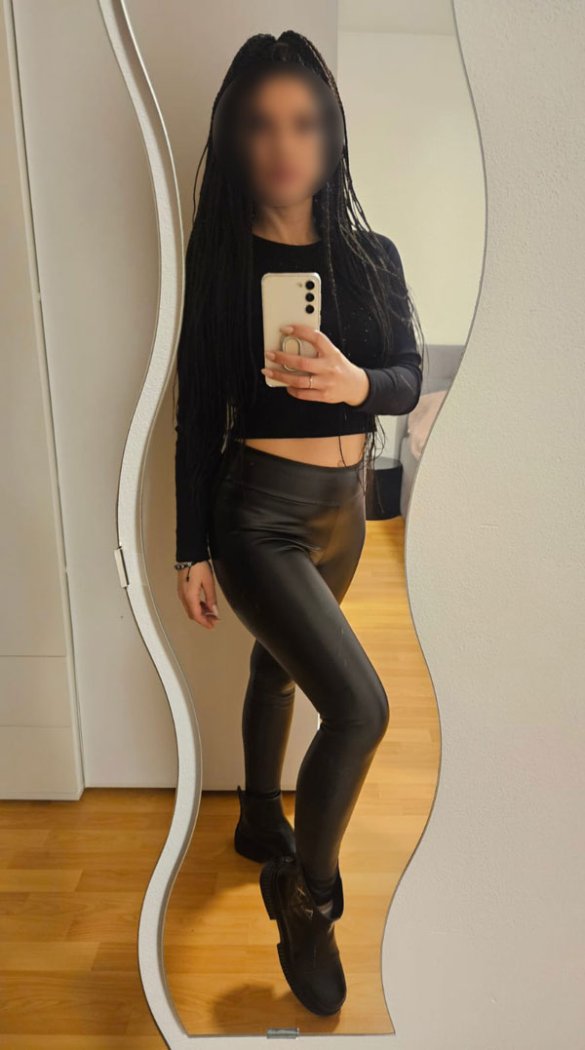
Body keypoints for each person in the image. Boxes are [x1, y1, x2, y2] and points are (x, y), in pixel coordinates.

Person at [173, 31, 425, 1016]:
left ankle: (253, 816)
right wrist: (190, 547)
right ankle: (306, 901)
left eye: (305, 122)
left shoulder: (368, 257)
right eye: (262, 124)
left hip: (344, 512)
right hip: (258, 517)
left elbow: (407, 377)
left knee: (278, 668)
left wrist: (355, 383)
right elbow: (199, 414)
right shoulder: (221, 264)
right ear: (237, 136)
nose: (285, 145)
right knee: (360, 709)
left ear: (331, 134)